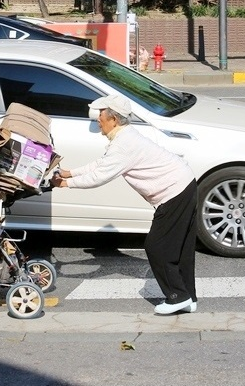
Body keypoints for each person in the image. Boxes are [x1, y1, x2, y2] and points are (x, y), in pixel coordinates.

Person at [50, 94, 199, 315]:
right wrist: (69, 172)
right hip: (184, 184)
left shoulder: (124, 144)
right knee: (181, 248)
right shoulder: (125, 137)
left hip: (173, 192)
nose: (97, 119)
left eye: (101, 115)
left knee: (156, 247)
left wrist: (65, 184)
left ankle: (177, 295)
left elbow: (100, 176)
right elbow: (102, 163)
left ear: (114, 119)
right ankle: (188, 298)